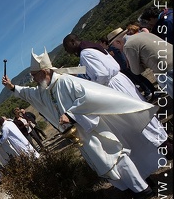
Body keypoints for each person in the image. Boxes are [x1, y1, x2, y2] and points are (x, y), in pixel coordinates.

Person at [1, 47, 160, 199]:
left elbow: (89, 97)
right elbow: (28, 93)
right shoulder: (44, 89)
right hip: (80, 134)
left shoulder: (65, 81)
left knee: (115, 157)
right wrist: (12, 87)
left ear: (44, 72)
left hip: (92, 129)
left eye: (34, 75)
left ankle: (143, 189)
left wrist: (71, 115)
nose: (33, 79)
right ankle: (130, 189)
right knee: (102, 163)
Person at [63, 33, 170, 165]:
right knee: (141, 112)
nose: (67, 52)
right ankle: (164, 141)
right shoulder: (92, 48)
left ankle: (166, 147)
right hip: (120, 81)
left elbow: (102, 74)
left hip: (114, 86)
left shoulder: (85, 53)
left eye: (66, 48)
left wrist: (93, 85)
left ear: (73, 42)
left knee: (137, 117)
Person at [108, 27, 173, 100]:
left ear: (118, 42)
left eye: (113, 45)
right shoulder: (142, 34)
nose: (115, 48)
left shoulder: (128, 46)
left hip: (166, 70)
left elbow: (136, 71)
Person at [98, 36, 155, 100]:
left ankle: (150, 90)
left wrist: (127, 62)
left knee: (139, 78)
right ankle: (147, 91)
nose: (99, 44)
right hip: (122, 69)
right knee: (135, 80)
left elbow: (123, 52)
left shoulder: (113, 47)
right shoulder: (106, 51)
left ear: (103, 42)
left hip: (126, 65)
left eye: (100, 43)